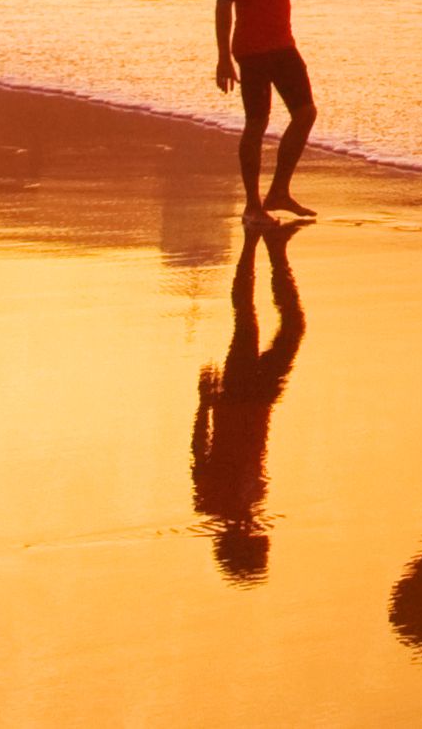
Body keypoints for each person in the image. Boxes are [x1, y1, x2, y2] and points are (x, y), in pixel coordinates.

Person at [189, 218, 307, 580]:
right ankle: (274, 250)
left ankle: (259, 247)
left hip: (237, 400)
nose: (264, 536)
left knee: (249, 320)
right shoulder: (250, 503)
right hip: (261, 404)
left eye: (259, 546)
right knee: (289, 327)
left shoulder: (213, 502)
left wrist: (205, 401)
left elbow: (199, 449)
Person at [215, 0, 317, 228]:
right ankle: (252, 205)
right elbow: (223, 2)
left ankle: (279, 192)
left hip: (283, 43)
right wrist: (224, 57)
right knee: (256, 124)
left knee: (305, 113)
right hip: (253, 49)